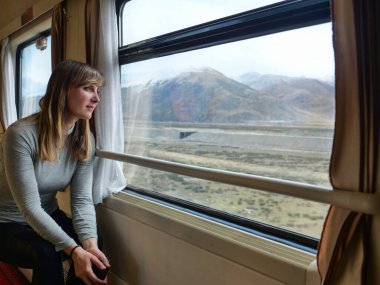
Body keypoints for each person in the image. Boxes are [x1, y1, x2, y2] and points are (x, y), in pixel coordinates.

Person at [0, 60, 110, 285]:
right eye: (88, 88)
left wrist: (87, 246)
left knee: (96, 249)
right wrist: (74, 250)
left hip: (46, 213)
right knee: (46, 253)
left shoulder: (85, 140)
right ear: (63, 90)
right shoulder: (20, 134)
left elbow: (81, 200)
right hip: (6, 222)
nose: (96, 98)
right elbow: (29, 207)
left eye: (97, 90)